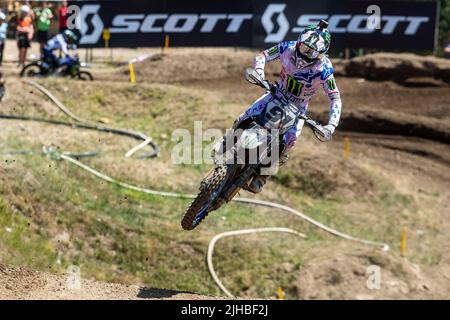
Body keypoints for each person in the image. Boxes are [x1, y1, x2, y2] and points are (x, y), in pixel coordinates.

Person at [234, 20, 342, 193]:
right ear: (299, 41)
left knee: (289, 141)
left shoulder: (324, 70)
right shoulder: (288, 47)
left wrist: (331, 125)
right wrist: (260, 74)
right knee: (243, 118)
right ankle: (227, 145)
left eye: (311, 52)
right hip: (275, 94)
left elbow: (335, 98)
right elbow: (263, 55)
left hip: (298, 109)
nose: (304, 53)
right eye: (304, 47)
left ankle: (262, 176)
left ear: (321, 54)